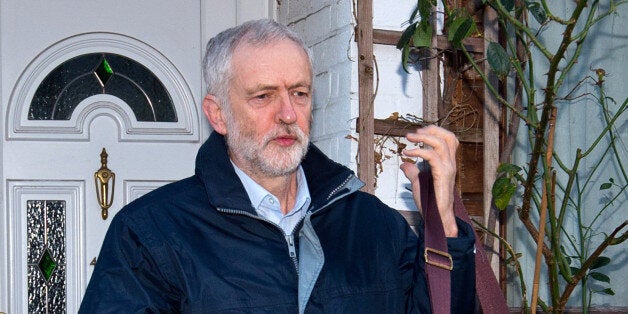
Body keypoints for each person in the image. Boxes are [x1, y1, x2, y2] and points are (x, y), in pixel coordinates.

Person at [79, 19, 476, 313]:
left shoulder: (373, 227)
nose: (288, 114)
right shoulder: (149, 233)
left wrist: (444, 227)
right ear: (218, 115)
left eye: (299, 93)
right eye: (264, 96)